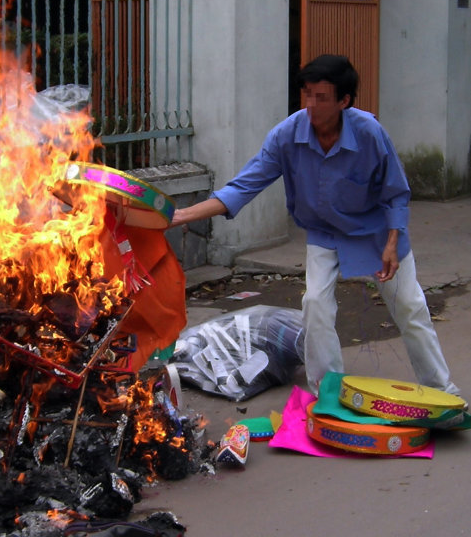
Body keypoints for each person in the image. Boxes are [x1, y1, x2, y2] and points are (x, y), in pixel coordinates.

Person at [171, 54, 461, 397]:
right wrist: (179, 216)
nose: (310, 104)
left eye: (321, 97)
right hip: (324, 232)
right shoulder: (287, 135)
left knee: (410, 307)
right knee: (316, 307)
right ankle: (328, 394)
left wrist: (392, 242)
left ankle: (442, 391)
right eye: (306, 94)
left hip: (376, 231)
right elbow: (243, 187)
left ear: (344, 101)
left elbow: (396, 192)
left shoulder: (369, 133)